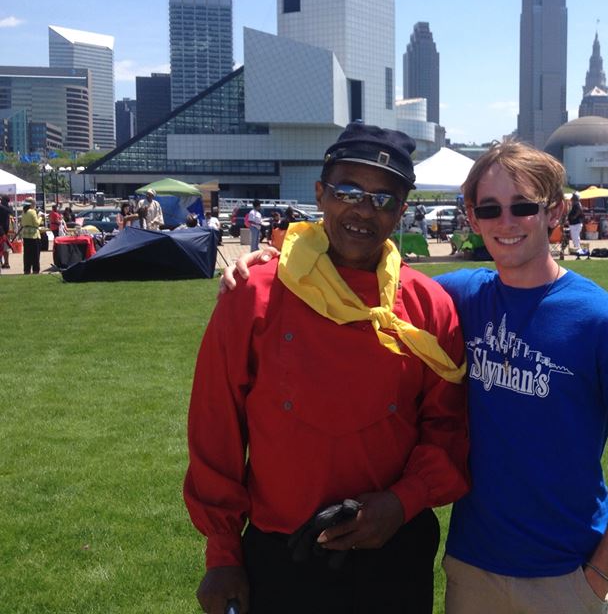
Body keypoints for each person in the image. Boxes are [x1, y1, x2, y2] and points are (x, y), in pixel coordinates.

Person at [224, 142, 608, 613]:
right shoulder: (458, 297)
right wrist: (276, 266)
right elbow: (373, 285)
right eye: (489, 209)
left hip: (566, 574)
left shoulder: (606, 323)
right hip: (471, 567)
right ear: (472, 218)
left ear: (554, 211)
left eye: (523, 206)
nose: (506, 222)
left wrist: (596, 578)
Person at [184, 123, 469, 614]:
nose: (363, 210)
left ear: (401, 211)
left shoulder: (429, 306)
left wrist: (402, 501)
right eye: (349, 191)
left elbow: (449, 429)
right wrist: (223, 553)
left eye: (383, 199)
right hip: (282, 555)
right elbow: (217, 430)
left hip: (393, 551)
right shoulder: (255, 294)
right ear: (321, 194)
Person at [14, 199, 42, 274]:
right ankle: (36, 269)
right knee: (35, 254)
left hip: (25, 235)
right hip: (33, 235)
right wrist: (40, 217)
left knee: (27, 254)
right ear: (31, 204)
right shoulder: (32, 212)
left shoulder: (24, 212)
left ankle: (27, 269)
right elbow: (36, 224)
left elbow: (22, 223)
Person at [567, 190, 585, 255]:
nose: (572, 197)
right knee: (575, 237)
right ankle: (577, 248)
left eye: (574, 196)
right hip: (574, 223)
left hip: (576, 223)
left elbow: (579, 211)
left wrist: (573, 217)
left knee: (575, 237)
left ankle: (578, 249)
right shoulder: (575, 204)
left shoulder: (577, 204)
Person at [1, 195, 15, 268]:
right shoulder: (6, 207)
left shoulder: (5, 208)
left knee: (5, 248)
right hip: (4, 231)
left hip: (4, 232)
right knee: (4, 248)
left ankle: (6, 263)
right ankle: (4, 263)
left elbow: (10, 211)